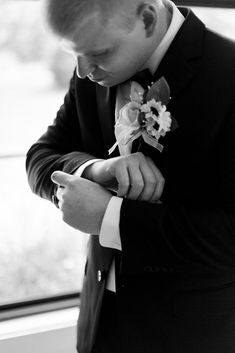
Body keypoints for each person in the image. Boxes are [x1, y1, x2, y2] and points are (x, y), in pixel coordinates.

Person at [26, 0, 235, 352]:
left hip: (190, 336)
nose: (81, 70)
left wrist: (113, 219)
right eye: (74, 53)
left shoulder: (228, 74)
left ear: (147, 19)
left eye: (97, 53)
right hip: (99, 324)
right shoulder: (92, 68)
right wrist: (95, 169)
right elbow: (40, 156)